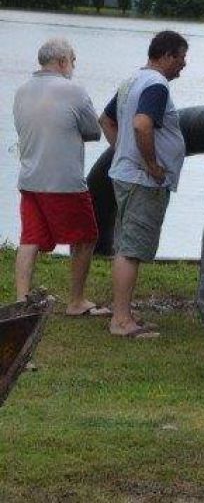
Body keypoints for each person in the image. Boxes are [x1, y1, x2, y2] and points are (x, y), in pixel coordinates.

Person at [98, 30, 188, 338]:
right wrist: (150, 164)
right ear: (165, 56)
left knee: (125, 245)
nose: (184, 65)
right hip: (142, 180)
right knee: (132, 249)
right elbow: (141, 123)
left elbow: (106, 120)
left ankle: (123, 311)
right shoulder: (156, 85)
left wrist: (123, 152)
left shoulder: (132, 81)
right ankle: (121, 321)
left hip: (124, 175)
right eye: (181, 57)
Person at [13, 38, 108, 316]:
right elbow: (93, 131)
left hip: (30, 178)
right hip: (64, 182)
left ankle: (22, 300)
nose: (74, 66)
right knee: (86, 237)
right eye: (73, 60)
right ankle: (76, 301)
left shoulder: (21, 91)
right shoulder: (73, 91)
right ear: (63, 61)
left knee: (29, 239)